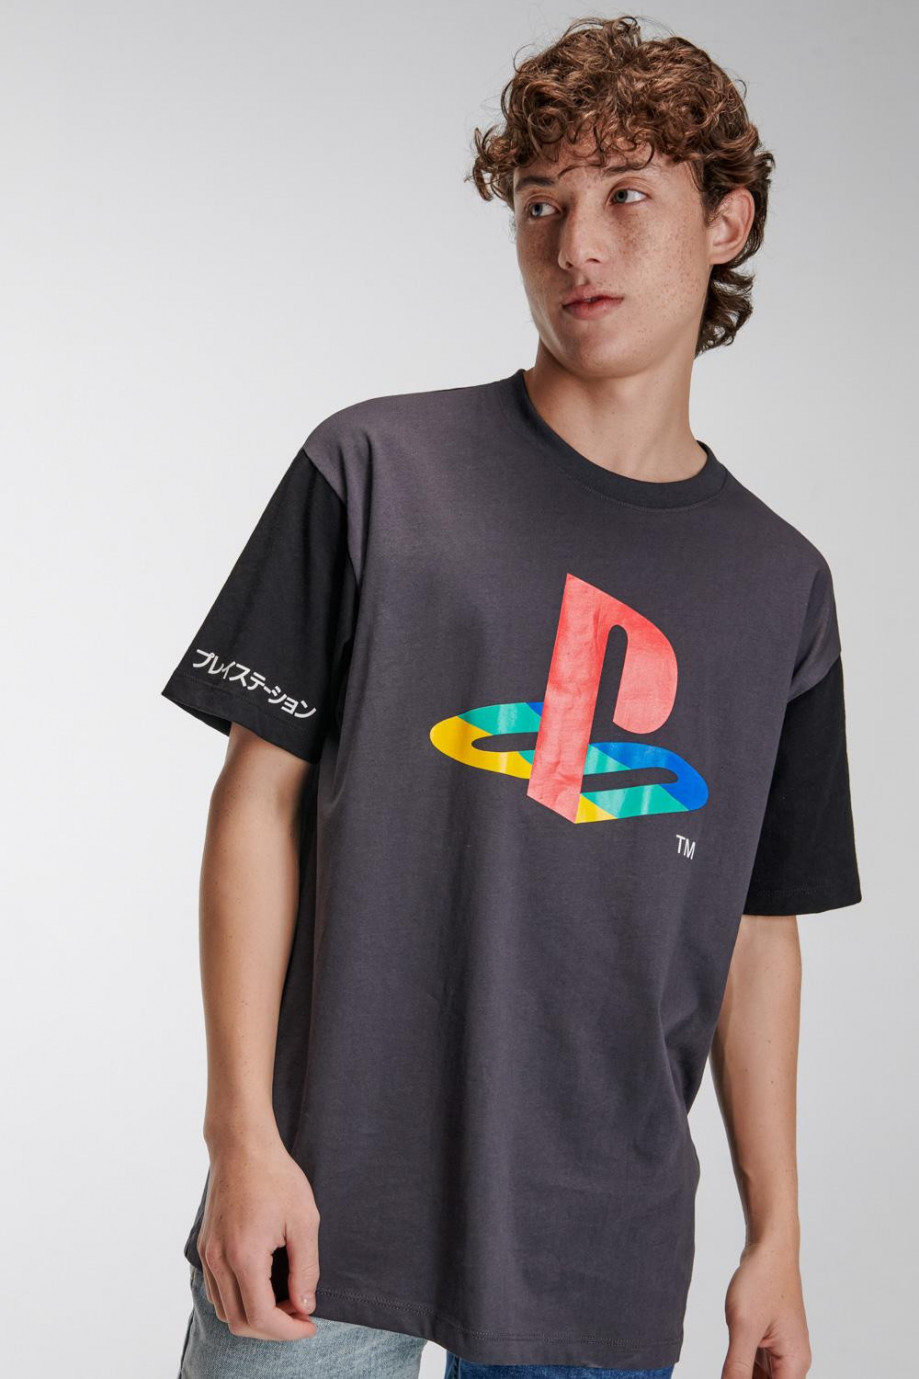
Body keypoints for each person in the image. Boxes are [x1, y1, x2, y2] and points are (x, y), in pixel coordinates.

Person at [163, 14, 861, 1379]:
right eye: (542, 204)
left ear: (727, 220)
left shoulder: (783, 585)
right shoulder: (375, 469)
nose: (576, 245)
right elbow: (254, 804)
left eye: (627, 196)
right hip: (323, 1193)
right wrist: (240, 1136)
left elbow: (756, 927)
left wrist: (776, 1235)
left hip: (598, 1236)